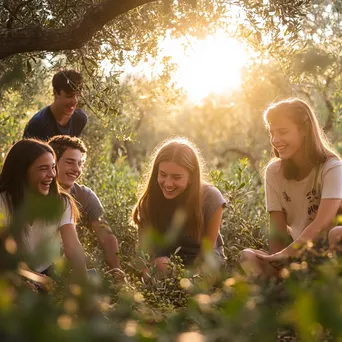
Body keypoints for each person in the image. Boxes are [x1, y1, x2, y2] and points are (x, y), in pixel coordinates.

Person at [239, 98, 342, 278]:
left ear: (304, 130)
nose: (275, 140)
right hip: (298, 258)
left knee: (338, 234)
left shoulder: (332, 168)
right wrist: (277, 261)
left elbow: (323, 223)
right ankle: (279, 296)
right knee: (247, 256)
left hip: (331, 255)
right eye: (272, 133)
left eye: (283, 132)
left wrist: (287, 254)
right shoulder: (274, 172)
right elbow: (277, 233)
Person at [132, 137, 226, 272]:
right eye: (163, 174)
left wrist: (188, 279)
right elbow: (144, 254)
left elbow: (207, 255)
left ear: (192, 177)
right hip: (168, 261)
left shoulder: (211, 197)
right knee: (161, 264)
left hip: (204, 263)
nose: (168, 183)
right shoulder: (149, 201)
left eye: (176, 177)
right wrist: (147, 279)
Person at [0, 139, 87, 281]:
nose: (52, 174)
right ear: (22, 171)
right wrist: (36, 280)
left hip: (46, 272)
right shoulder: (2, 203)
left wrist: (85, 287)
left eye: (53, 167)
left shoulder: (62, 203)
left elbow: (73, 249)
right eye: (43, 168)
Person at [48, 135, 121, 272]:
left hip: (71, 269)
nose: (76, 169)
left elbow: (106, 236)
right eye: (70, 162)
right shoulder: (36, 193)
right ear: (52, 162)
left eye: (80, 164)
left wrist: (117, 270)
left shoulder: (85, 196)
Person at [23, 70, 87, 140]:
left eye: (77, 95)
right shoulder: (38, 125)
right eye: (69, 96)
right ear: (55, 92)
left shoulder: (80, 119)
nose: (75, 101)